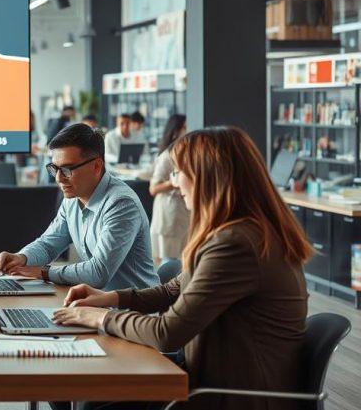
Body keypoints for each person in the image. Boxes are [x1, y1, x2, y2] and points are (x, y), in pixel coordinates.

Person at [53, 126, 312, 410]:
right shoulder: (238, 233)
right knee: (78, 387)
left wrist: (99, 317)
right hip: (214, 374)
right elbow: (174, 289)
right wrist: (111, 298)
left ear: (208, 177)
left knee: (88, 396)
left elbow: (167, 332)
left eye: (178, 173)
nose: (174, 183)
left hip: (226, 393)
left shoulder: (237, 244)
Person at [0, 123, 157, 290]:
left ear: (97, 166)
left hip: (133, 311)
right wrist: (21, 258)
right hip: (97, 304)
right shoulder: (72, 198)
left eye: (66, 169)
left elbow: (98, 273)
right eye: (54, 169)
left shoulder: (121, 204)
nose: (58, 178)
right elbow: (49, 244)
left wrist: (43, 272)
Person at [149, 114, 189, 265]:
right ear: (176, 131)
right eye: (185, 127)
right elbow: (153, 188)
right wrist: (175, 182)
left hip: (182, 214)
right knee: (169, 263)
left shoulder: (185, 152)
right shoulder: (167, 156)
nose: (188, 130)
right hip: (169, 215)